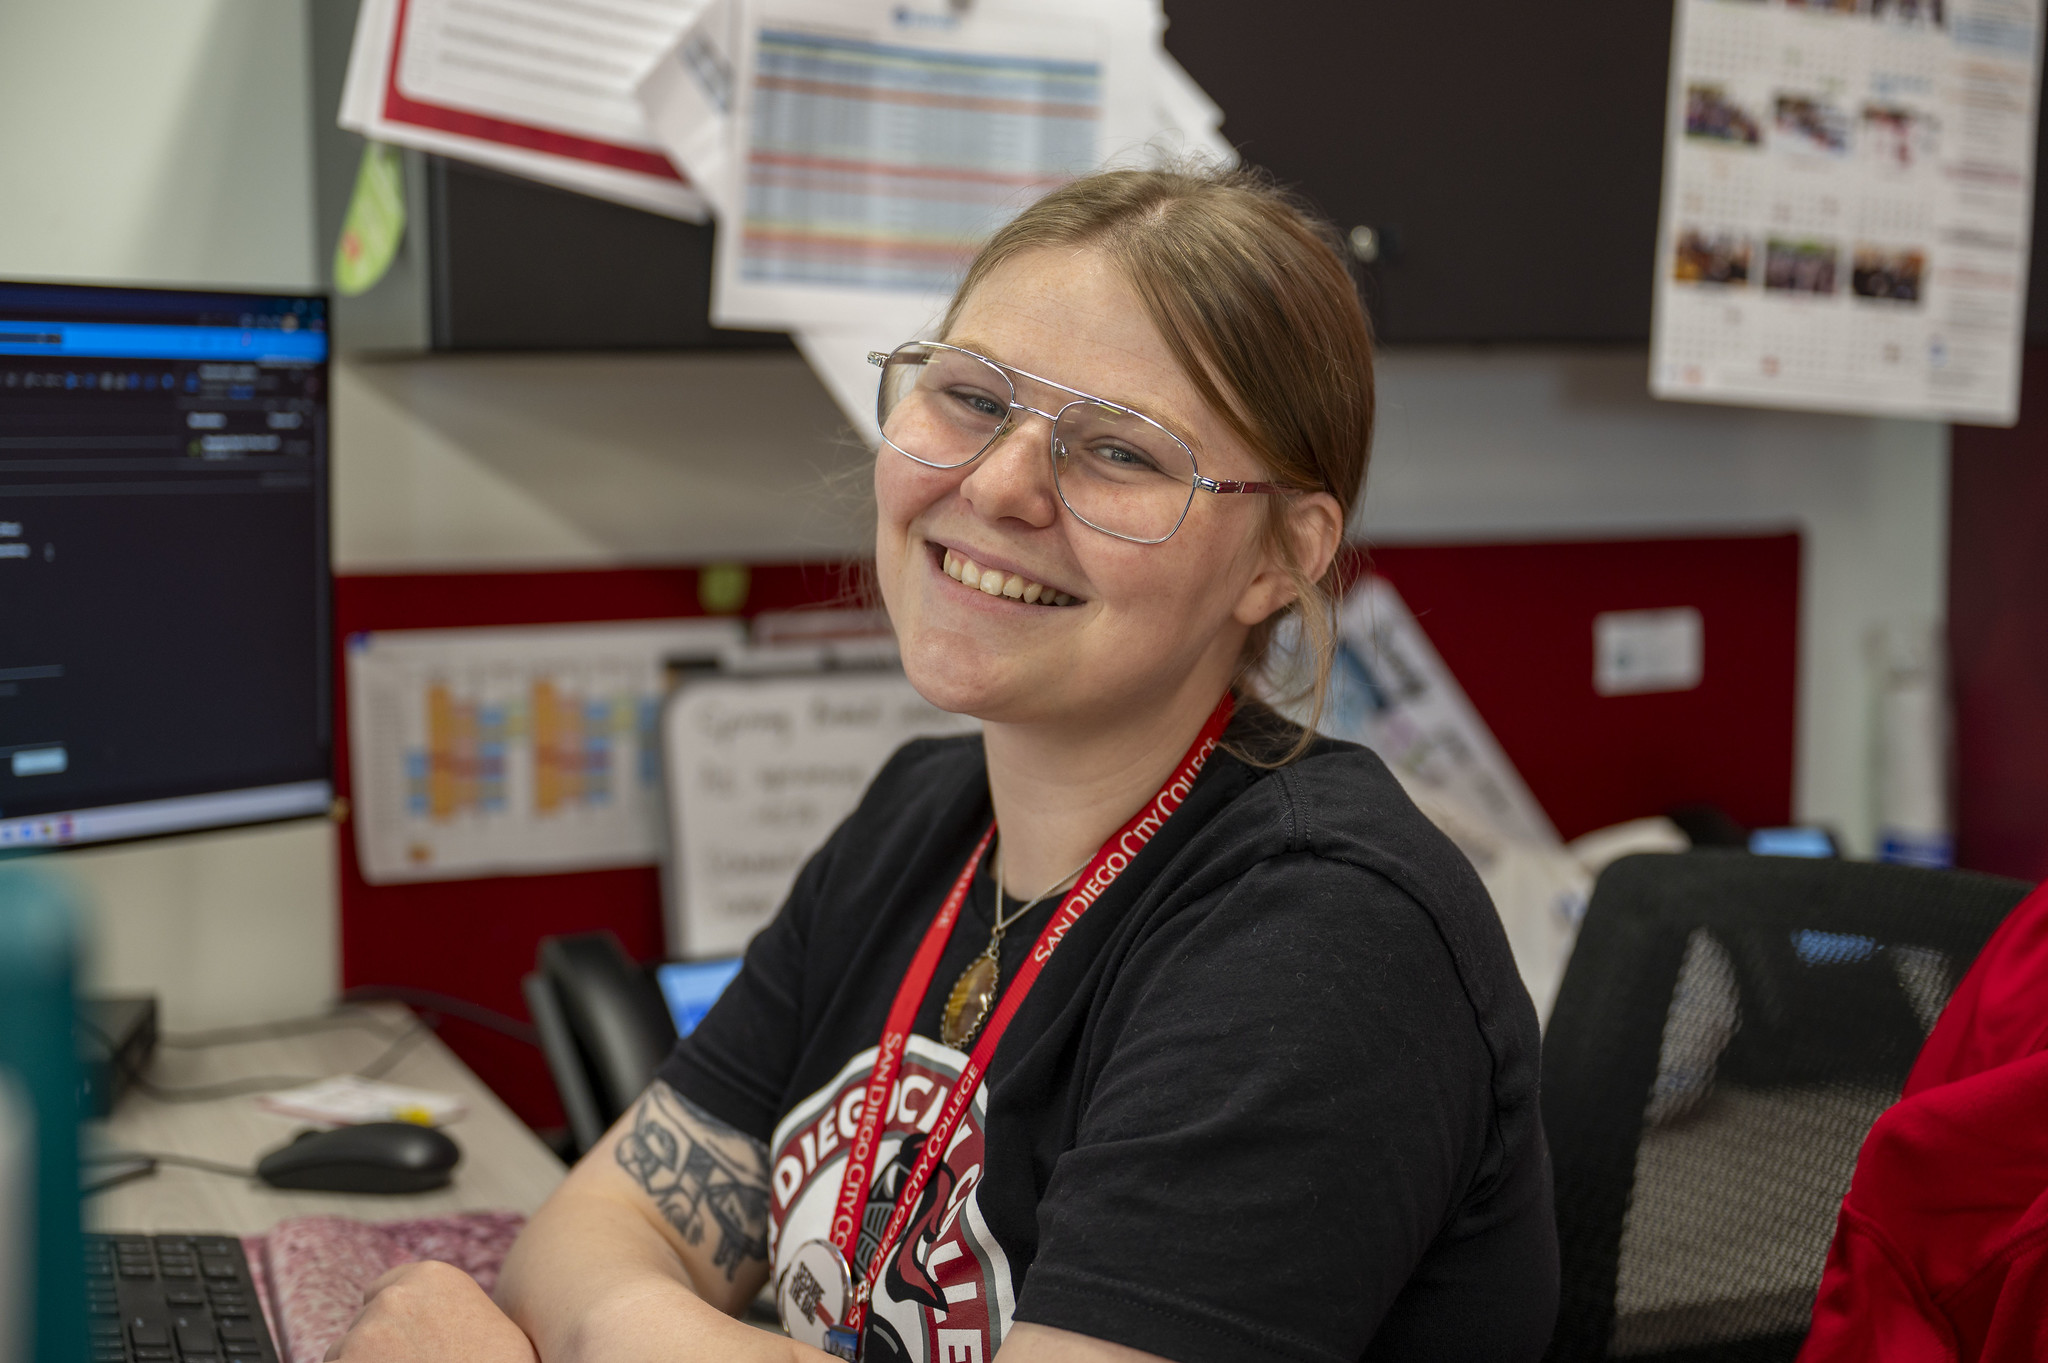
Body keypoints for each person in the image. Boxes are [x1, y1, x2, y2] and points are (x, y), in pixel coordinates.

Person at [328, 166, 1557, 1363]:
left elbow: (590, 1290)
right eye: (970, 399)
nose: (1000, 483)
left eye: (1120, 451)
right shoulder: (920, 819)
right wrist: (618, 1320)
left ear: (1277, 558)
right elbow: (593, 1232)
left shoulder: (1322, 937)